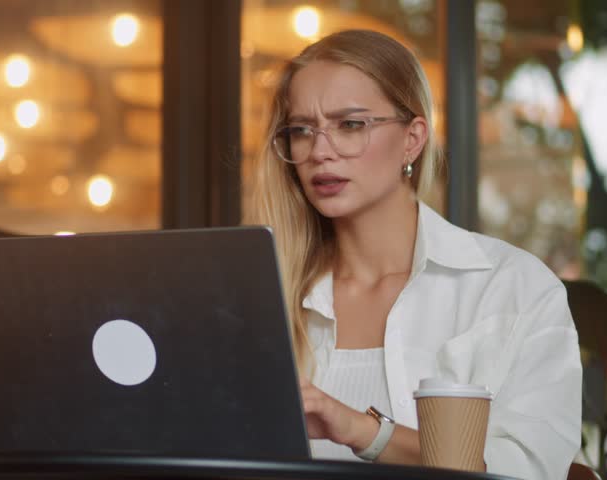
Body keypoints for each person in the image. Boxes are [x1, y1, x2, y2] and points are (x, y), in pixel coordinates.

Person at [246, 29, 582, 479]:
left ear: (413, 138)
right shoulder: (266, 300)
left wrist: (362, 430)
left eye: (350, 125)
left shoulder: (512, 288)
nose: (320, 152)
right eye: (302, 130)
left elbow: (528, 472)